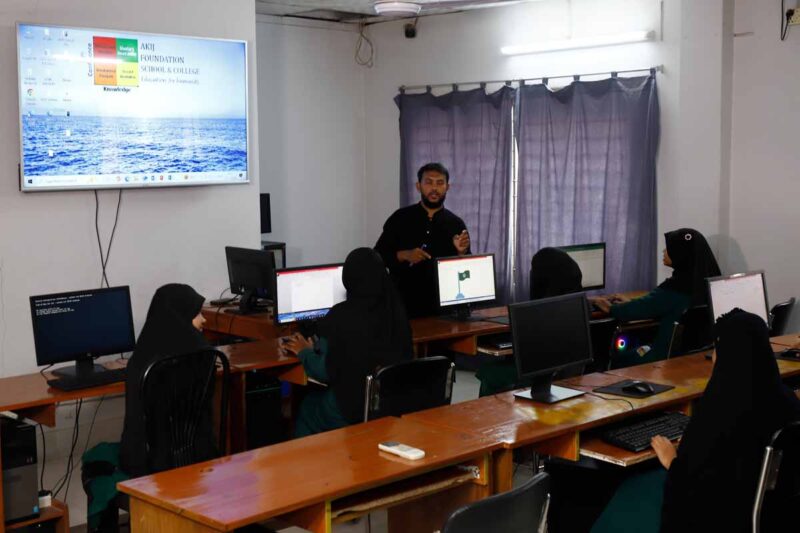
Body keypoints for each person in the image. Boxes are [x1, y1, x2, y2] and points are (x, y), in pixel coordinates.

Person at [591, 309, 800, 533]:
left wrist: (672, 459)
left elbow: (691, 484)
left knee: (629, 490)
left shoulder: (719, 410)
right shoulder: (786, 400)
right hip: (767, 515)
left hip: (716, 516)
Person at [83, 283, 212, 532]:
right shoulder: (206, 356)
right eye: (198, 313)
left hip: (149, 467)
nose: (204, 319)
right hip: (200, 460)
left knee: (94, 459)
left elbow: (136, 425)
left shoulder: (143, 361)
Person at [283, 248, 413, 437]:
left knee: (308, 406)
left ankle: (307, 463)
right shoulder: (397, 311)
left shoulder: (341, 316)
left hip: (349, 409)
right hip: (391, 406)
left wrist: (304, 351)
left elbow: (324, 371)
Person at [593, 228, 721, 367]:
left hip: (663, 358)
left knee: (615, 358)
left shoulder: (675, 288)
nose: (664, 252)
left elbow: (632, 311)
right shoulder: (710, 284)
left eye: (669, 248)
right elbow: (654, 305)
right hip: (695, 357)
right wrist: (633, 302)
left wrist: (606, 306)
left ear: (681, 254)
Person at [475, 247, 584, 397]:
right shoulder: (580, 308)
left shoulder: (536, 316)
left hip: (538, 377)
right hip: (566, 376)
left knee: (489, 370)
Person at [375, 162, 471, 318]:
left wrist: (461, 253)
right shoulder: (399, 218)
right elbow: (377, 257)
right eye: (428, 182)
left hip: (443, 310)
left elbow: (466, 271)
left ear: (447, 187)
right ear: (418, 186)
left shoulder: (456, 223)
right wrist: (404, 255)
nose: (434, 188)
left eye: (440, 183)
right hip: (402, 306)